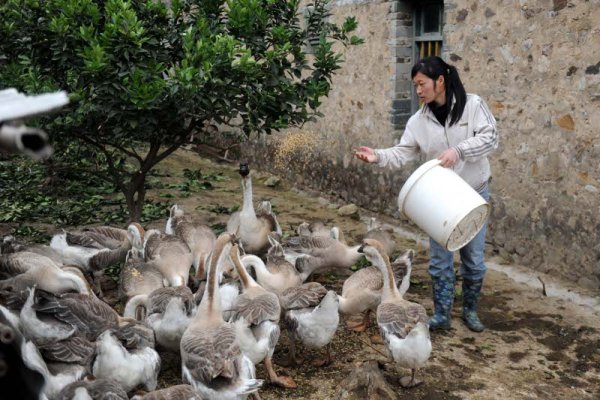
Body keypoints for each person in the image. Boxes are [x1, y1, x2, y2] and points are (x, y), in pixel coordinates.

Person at [354, 56, 498, 332]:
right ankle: (442, 314)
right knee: (440, 262)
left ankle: (469, 311)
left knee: (474, 261)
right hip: (440, 199)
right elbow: (404, 151)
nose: (418, 91)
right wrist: (378, 156)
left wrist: (460, 151)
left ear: (440, 81)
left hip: (474, 193)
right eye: (415, 86)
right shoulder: (419, 120)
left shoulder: (473, 106)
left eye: (422, 84)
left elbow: (491, 137)